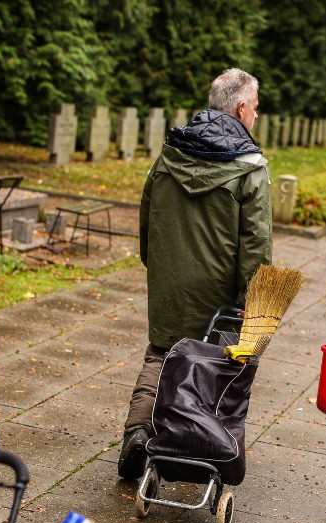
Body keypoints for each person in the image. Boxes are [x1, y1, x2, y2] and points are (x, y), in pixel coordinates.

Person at [117, 68, 273, 480]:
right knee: (211, 360)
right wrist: (253, 302)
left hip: (169, 276)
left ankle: (138, 430)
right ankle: (198, 443)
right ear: (241, 108)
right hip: (218, 289)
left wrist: (156, 264)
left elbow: (147, 213)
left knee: (161, 352)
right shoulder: (251, 167)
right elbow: (256, 244)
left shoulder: (170, 152)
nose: (255, 116)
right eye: (255, 109)